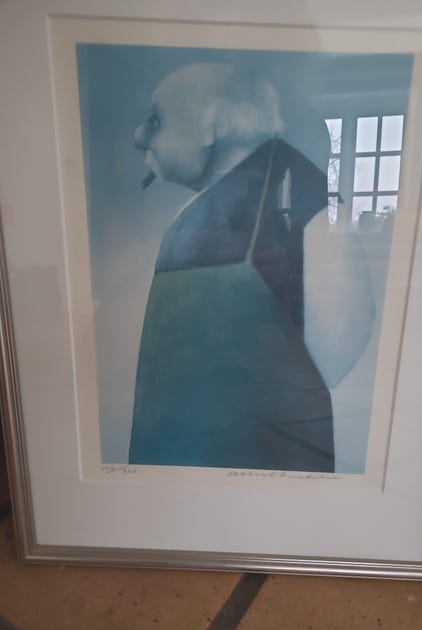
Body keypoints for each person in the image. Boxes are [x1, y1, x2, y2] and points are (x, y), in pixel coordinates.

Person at [128, 62, 374, 471]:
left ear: (211, 125)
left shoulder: (306, 199)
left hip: (262, 461)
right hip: (180, 460)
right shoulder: (203, 206)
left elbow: (338, 345)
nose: (140, 136)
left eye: (157, 119)